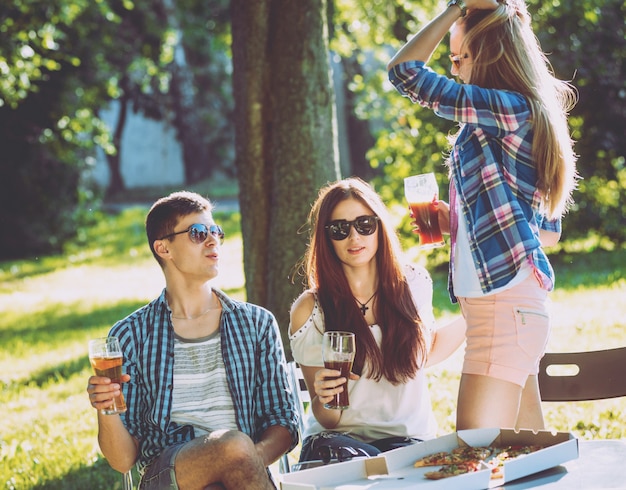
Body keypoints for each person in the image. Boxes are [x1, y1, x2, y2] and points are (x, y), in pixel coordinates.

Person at [387, 0, 578, 431]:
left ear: (489, 55)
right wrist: (455, 219)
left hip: (503, 313)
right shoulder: (510, 117)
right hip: (508, 310)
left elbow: (405, 72)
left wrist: (456, 10)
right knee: (526, 458)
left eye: (459, 58)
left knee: (473, 454)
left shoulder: (509, 109)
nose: (453, 70)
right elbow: (544, 234)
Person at [86, 191, 299, 490]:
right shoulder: (130, 335)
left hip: (246, 474)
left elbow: (284, 423)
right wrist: (106, 409)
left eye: (216, 232)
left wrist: (244, 460)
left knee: (234, 448)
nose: (212, 241)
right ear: (164, 248)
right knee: (232, 443)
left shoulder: (257, 324)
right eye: (198, 233)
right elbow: (123, 461)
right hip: (168, 474)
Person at [289, 177, 465, 464]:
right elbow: (329, 419)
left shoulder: (413, 283)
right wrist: (324, 395)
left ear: (379, 227)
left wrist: (475, 315)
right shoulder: (311, 309)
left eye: (364, 225)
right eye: (339, 229)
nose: (354, 237)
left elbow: (423, 354)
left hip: (408, 441)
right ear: (325, 237)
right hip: (338, 445)